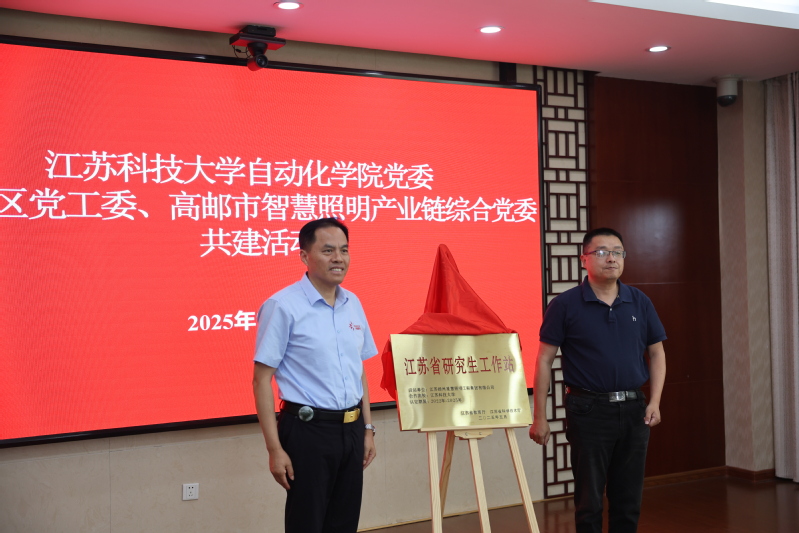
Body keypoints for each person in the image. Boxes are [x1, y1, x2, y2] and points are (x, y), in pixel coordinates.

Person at [529, 227, 667, 533]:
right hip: (588, 410)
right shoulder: (564, 305)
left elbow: (657, 353)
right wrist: (539, 417)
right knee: (589, 501)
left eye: (618, 252)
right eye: (602, 252)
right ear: (584, 259)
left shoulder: (639, 301)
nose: (611, 259)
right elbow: (544, 360)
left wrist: (655, 401)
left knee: (628, 499)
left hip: (634, 409)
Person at [252, 217, 378, 533]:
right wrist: (274, 449)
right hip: (307, 432)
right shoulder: (282, 305)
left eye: (344, 250)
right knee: (307, 523)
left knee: (344, 522)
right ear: (304, 256)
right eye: (328, 250)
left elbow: (358, 370)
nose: (339, 258)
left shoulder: (353, 303)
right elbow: (261, 380)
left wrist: (367, 429)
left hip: (352, 430)